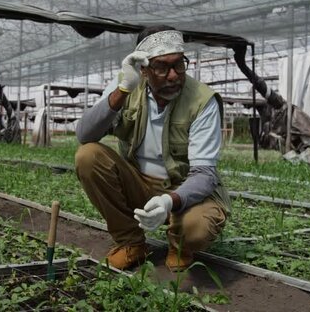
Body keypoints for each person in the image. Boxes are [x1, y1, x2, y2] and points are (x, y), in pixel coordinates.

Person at [74, 26, 231, 271]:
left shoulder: (202, 100)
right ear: (144, 69)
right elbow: (85, 135)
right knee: (88, 156)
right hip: (139, 182)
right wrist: (123, 90)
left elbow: (204, 174)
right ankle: (131, 243)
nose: (173, 76)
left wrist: (169, 201)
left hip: (183, 189)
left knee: (196, 229)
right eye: (161, 67)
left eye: (179, 65)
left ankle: (180, 244)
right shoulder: (128, 84)